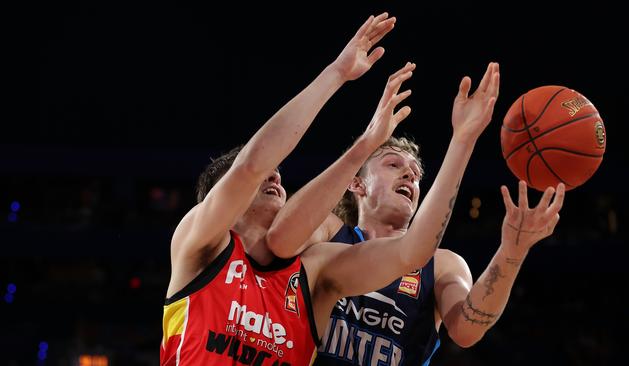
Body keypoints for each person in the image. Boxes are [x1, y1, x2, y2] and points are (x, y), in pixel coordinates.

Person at [267, 62, 566, 365]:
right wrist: (366, 144)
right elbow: (282, 235)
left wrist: (511, 254)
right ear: (357, 184)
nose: (410, 176)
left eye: (415, 174)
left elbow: (467, 331)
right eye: (394, 165)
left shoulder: (442, 265)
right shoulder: (329, 233)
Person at [160, 12, 409, 365]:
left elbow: (407, 253)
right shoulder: (199, 245)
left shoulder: (308, 275)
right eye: (266, 176)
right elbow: (252, 164)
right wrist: (337, 73)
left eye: (278, 175)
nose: (276, 178)